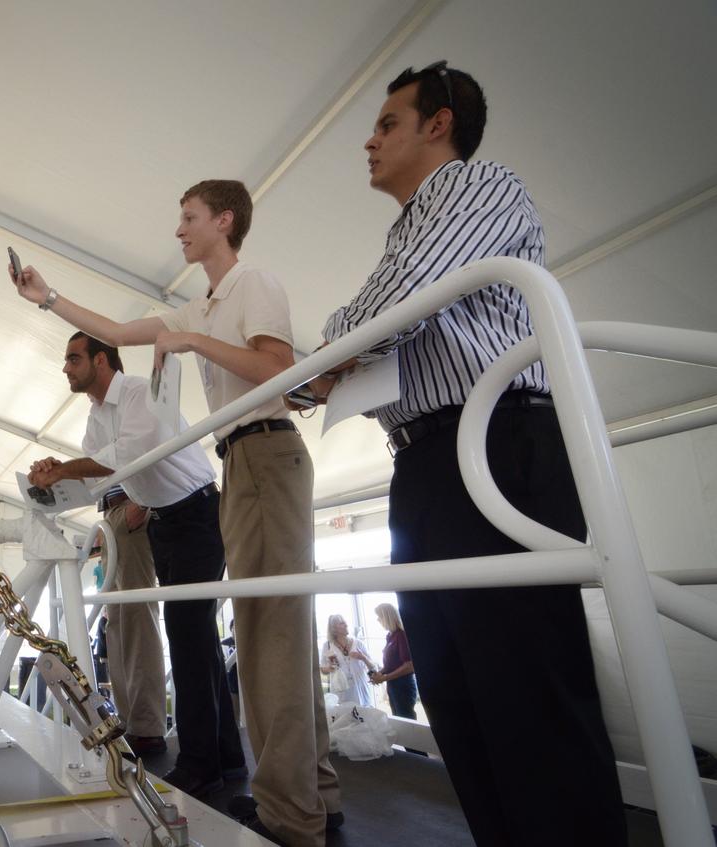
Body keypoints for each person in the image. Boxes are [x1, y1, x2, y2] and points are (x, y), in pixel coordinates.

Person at [314, 61, 626, 846]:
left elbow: (399, 298)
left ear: (438, 123)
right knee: (456, 692)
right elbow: (377, 314)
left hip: (493, 443)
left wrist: (335, 343)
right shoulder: (405, 232)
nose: (369, 141)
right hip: (423, 461)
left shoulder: (478, 185)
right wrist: (343, 341)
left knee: (525, 688)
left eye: (386, 123)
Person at [11, 181, 338, 847]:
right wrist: (46, 297)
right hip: (238, 461)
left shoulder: (250, 284)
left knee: (268, 634)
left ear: (224, 220)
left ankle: (290, 811)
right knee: (272, 630)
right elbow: (115, 331)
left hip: (263, 452)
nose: (178, 230)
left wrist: (191, 341)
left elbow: (277, 368)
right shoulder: (200, 306)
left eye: (189, 217)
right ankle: (313, 794)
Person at [25, 331, 244, 787]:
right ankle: (226, 757)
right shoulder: (95, 418)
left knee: (187, 633)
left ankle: (201, 765)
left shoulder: (140, 392)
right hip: (165, 522)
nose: (65, 368)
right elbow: (96, 481)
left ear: (100, 361)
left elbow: (128, 455)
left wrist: (65, 468)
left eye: (73, 358)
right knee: (197, 637)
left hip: (197, 513)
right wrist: (53, 475)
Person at [368, 604, 415, 717]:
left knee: (405, 719)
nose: (378, 620)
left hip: (403, 685)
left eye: (380, 616)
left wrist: (384, 677)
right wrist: (379, 674)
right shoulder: (390, 636)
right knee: (397, 717)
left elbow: (409, 666)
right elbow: (391, 665)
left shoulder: (401, 635)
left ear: (387, 617)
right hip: (393, 684)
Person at [320, 614, 375, 707]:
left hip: (360, 690)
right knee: (344, 714)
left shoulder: (358, 644)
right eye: (342, 623)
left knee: (364, 713)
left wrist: (363, 658)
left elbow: (373, 668)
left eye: (345, 622)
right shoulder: (327, 646)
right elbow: (323, 670)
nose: (346, 625)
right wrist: (330, 668)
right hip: (341, 691)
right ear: (334, 629)